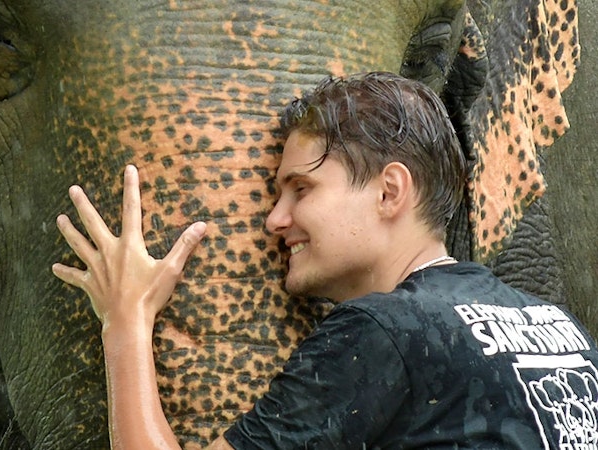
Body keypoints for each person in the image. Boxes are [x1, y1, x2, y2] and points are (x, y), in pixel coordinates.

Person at [51, 72, 598, 449]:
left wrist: (125, 317)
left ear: (390, 192)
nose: (274, 219)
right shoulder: (560, 329)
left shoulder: (385, 330)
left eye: (301, 189)